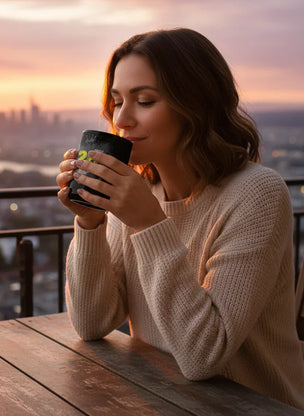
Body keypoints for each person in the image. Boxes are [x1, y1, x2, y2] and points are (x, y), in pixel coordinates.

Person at [56, 28, 304, 409]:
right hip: (161, 398)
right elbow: (92, 322)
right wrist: (90, 223)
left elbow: (204, 355)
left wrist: (149, 224)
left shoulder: (256, 194)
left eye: (145, 100)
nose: (122, 119)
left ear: (196, 105)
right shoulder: (139, 192)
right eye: (117, 100)